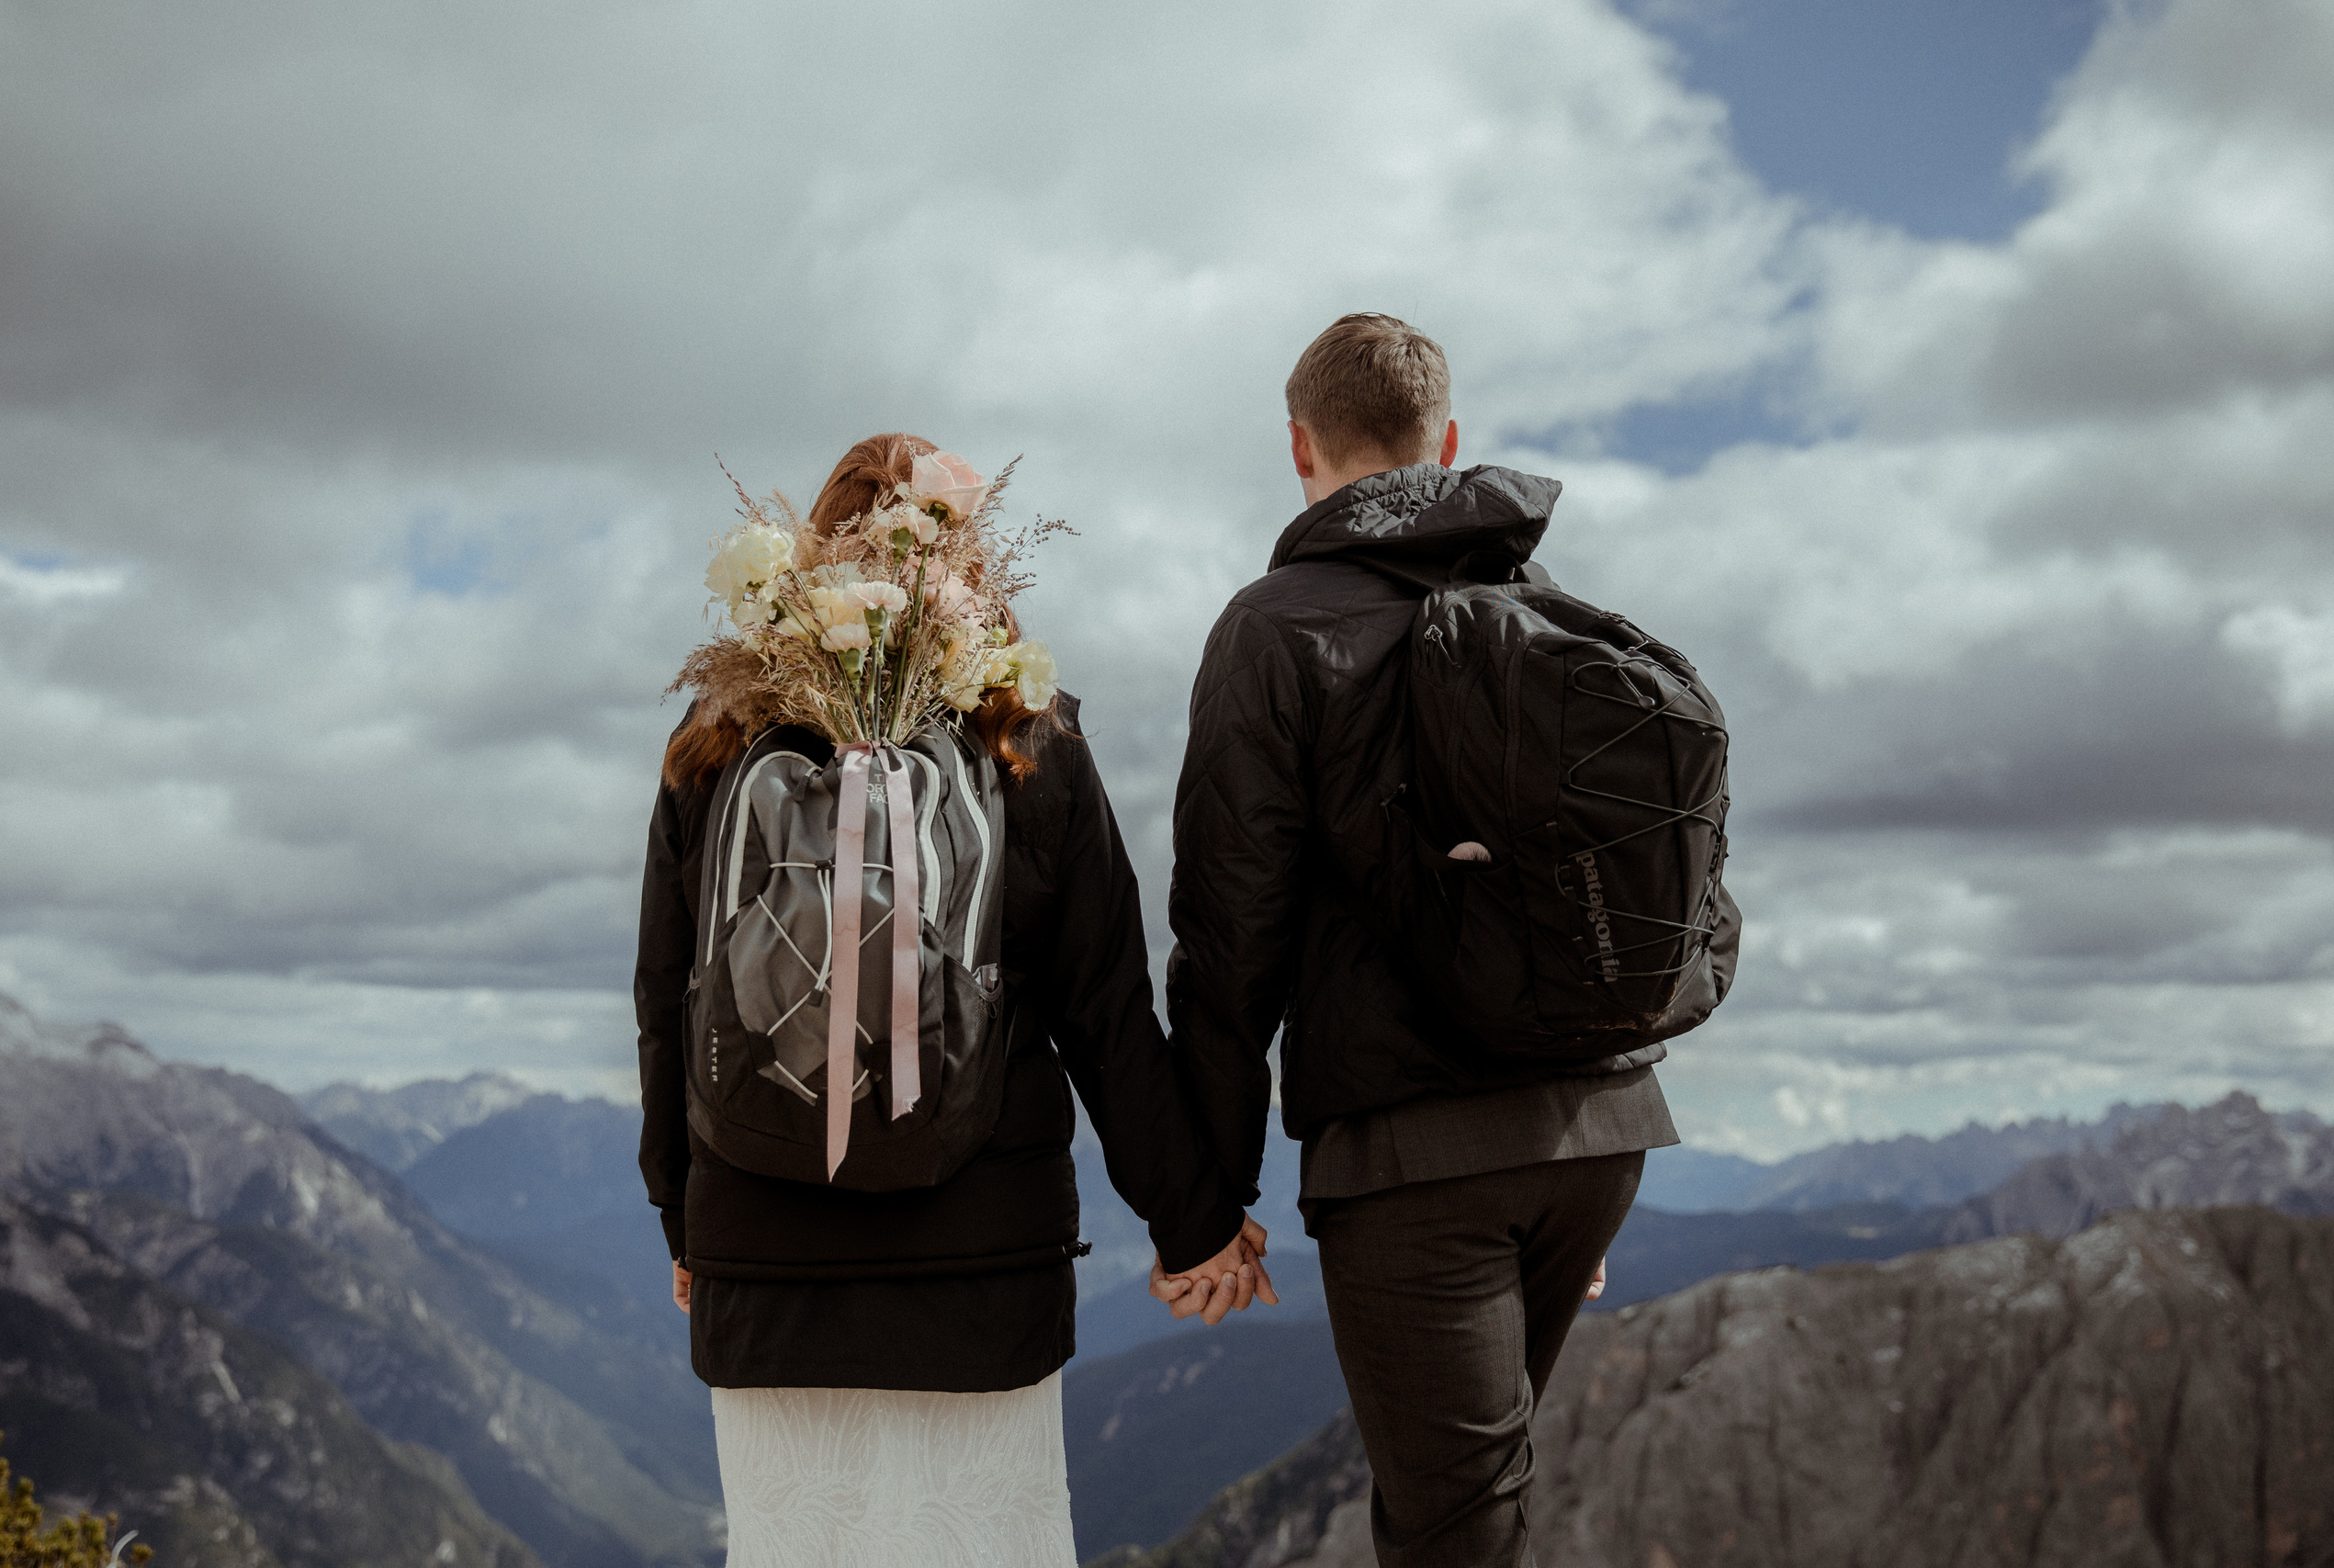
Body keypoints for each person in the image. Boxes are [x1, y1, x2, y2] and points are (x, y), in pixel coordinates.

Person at [637, 433, 1270, 1568]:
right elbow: (1106, 1016)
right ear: (968, 566)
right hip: (981, 1265)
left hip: (764, 1260)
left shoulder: (715, 744)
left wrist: (683, 1217)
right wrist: (1199, 1226)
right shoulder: (1026, 744)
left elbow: (666, 1002)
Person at [1163, 315, 1688, 1565]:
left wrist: (1209, 1199)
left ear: (1300, 447)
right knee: (1470, 1508)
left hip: (1414, 1158)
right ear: (1446, 441)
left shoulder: (1273, 628)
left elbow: (1231, 934)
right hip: (1598, 1135)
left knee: (1451, 1531)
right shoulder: (1552, 609)